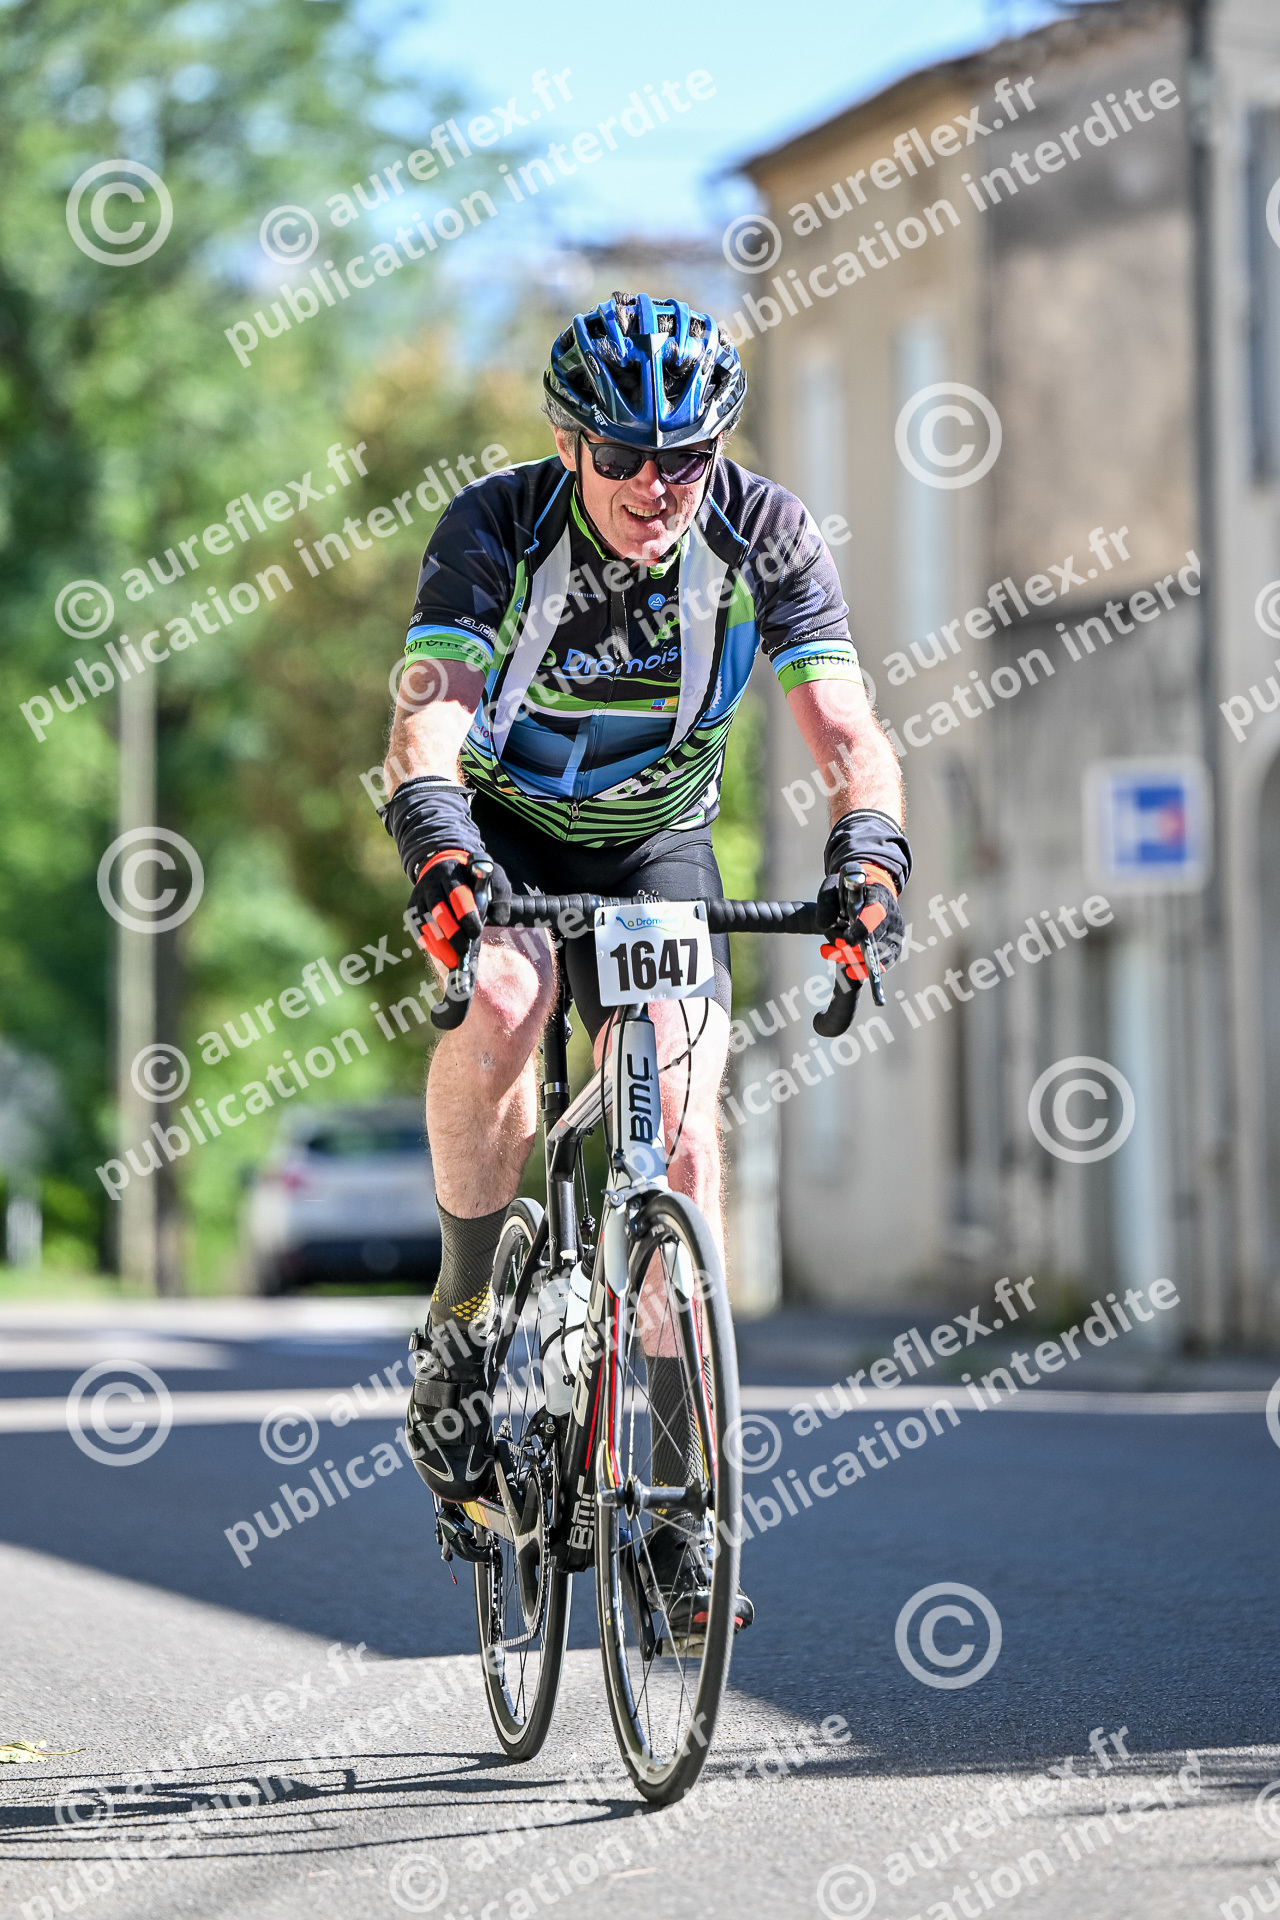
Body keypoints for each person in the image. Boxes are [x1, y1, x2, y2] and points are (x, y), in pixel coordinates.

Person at [381, 291, 910, 1630]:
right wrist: (437, 841)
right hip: (501, 826)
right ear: (571, 444)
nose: (654, 485)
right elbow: (430, 719)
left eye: (685, 456)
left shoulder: (766, 532)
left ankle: (672, 1499)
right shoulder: (497, 524)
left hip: (656, 845)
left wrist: (869, 853)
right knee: (507, 995)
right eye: (622, 454)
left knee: (677, 1136)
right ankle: (461, 1319)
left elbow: (848, 730)